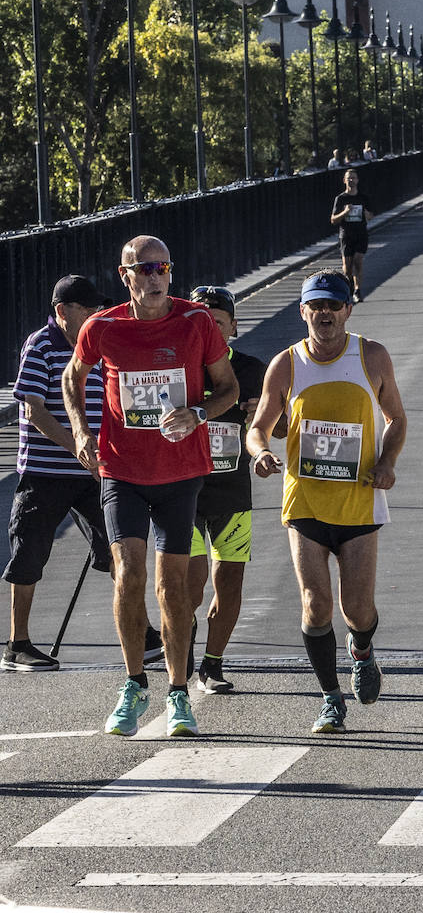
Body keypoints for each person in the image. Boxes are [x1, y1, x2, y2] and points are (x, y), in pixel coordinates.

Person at [62, 236, 238, 740]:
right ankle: (134, 682)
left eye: (163, 267)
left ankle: (178, 691)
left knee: (173, 585)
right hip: (123, 471)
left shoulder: (195, 321)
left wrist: (198, 413)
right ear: (126, 276)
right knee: (129, 575)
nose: (156, 276)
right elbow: (73, 380)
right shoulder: (103, 327)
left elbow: (228, 388)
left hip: (181, 472)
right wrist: (80, 431)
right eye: (146, 268)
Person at [246, 269, 407, 735]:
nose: (325, 314)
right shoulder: (286, 364)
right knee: (315, 605)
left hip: (359, 500)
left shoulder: (371, 356)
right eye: (316, 306)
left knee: (356, 608)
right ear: (303, 312)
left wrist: (388, 461)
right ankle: (330, 698)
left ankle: (362, 650)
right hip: (305, 502)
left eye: (334, 306)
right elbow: (259, 426)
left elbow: (396, 418)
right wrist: (260, 454)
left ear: (347, 311)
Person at [2, 275, 163, 671]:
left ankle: (141, 635)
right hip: (46, 470)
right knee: (30, 552)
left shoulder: (101, 343)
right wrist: (77, 445)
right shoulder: (41, 345)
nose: (96, 314)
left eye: (98, 308)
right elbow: (33, 409)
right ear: (62, 312)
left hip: (96, 470)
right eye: (87, 309)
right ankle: (17, 644)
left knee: (121, 547)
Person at [186, 286, 268, 694]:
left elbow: (279, 427)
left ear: (233, 327)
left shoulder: (253, 369)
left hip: (233, 494)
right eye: (202, 320)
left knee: (230, 584)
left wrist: (264, 419)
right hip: (183, 494)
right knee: (191, 583)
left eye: (218, 321)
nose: (211, 327)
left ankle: (212, 664)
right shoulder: (178, 367)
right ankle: (182, 643)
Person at [330, 167, 374, 303]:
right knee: (347, 267)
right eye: (349, 178)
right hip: (346, 235)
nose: (351, 180)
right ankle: (348, 285)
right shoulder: (340, 199)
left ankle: (357, 290)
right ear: (344, 180)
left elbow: (371, 215)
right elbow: (333, 220)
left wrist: (367, 215)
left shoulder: (363, 198)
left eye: (353, 178)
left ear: (357, 180)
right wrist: (345, 213)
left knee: (358, 261)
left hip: (360, 233)